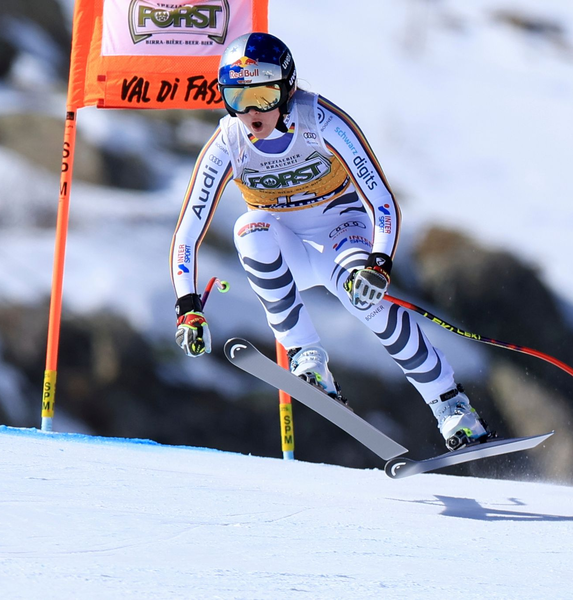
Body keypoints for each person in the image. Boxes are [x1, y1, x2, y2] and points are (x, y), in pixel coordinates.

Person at [170, 32, 491, 451]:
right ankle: (306, 355)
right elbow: (187, 233)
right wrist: (188, 308)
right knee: (248, 230)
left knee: (367, 301)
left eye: (264, 95)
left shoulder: (320, 121)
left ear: (288, 88)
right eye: (236, 97)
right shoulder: (227, 142)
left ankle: (452, 406)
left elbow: (382, 200)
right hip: (287, 248)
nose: (250, 112)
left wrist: (378, 264)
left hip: (342, 233)